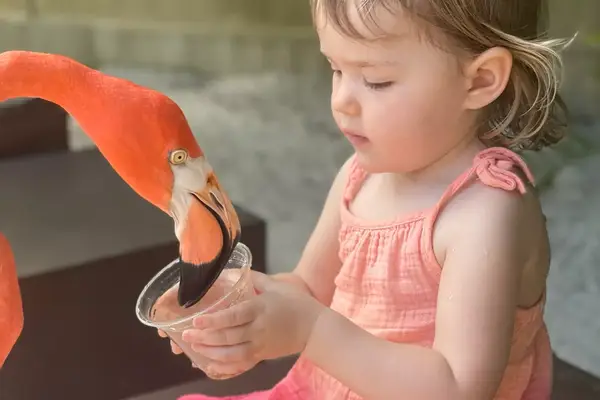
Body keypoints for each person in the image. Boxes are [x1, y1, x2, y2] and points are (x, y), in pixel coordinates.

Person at [162, 0, 573, 398]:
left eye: (376, 80)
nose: (341, 100)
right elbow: (309, 288)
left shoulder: (485, 213)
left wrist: (312, 330)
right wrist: (239, 312)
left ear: (480, 80)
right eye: (336, 70)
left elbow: (456, 387)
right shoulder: (359, 177)